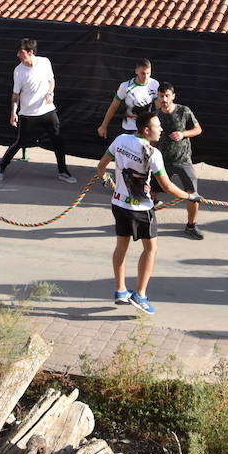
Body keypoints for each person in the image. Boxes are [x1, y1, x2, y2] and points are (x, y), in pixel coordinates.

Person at [95, 110, 197, 315]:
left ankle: (120, 290)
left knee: (121, 246)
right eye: (157, 126)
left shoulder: (121, 139)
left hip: (119, 204)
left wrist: (105, 179)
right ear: (146, 130)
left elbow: (101, 167)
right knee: (151, 249)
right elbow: (167, 186)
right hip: (141, 209)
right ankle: (140, 295)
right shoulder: (153, 153)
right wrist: (190, 197)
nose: (161, 129)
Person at [0, 38, 74, 184]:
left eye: (21, 52)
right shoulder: (18, 71)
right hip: (27, 114)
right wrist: (13, 113)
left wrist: (50, 93)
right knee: (20, 142)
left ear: (30, 52)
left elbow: (52, 80)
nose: (18, 55)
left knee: (58, 140)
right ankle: (1, 166)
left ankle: (63, 172)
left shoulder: (45, 62)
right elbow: (16, 95)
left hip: (48, 111)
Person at [154, 83, 204, 239]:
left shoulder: (184, 111)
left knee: (193, 195)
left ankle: (191, 226)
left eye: (167, 95)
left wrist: (183, 134)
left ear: (173, 96)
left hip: (183, 160)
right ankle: (145, 222)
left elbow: (198, 129)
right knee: (150, 193)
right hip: (161, 161)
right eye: (161, 96)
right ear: (158, 96)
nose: (164, 99)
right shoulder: (155, 115)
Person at [97, 59, 158, 139]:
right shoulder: (125, 86)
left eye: (148, 73)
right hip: (130, 128)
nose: (146, 76)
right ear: (136, 71)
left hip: (147, 128)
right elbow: (113, 106)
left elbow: (158, 108)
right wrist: (104, 126)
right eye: (143, 73)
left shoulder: (155, 84)